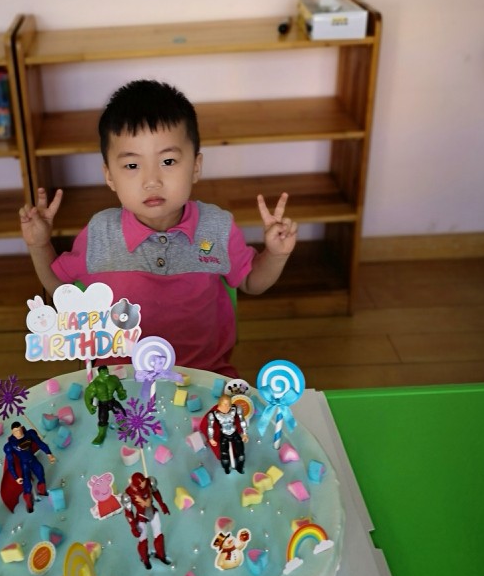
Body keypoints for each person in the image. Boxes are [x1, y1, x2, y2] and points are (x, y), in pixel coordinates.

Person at [18, 79, 298, 377]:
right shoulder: (100, 232)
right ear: (110, 176)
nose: (152, 181)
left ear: (195, 167)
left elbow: (251, 282)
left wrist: (276, 254)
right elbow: (62, 291)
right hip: (120, 380)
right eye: (132, 166)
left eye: (168, 161)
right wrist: (39, 244)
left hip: (205, 377)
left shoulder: (217, 226)